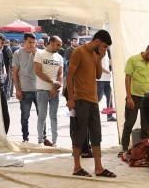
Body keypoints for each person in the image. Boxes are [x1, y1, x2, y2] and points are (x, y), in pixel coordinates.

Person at [66, 29, 116, 178]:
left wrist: (100, 58)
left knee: (96, 134)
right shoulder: (79, 52)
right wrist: (70, 98)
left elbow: (98, 75)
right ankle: (77, 167)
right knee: (79, 134)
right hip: (80, 99)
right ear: (98, 41)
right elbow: (69, 76)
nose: (105, 49)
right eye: (104, 46)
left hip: (93, 100)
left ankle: (98, 168)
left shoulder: (95, 54)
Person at [122, 42, 149, 152]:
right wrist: (129, 97)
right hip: (134, 97)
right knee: (129, 123)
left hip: (147, 98)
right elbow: (127, 79)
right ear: (147, 49)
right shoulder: (133, 60)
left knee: (146, 126)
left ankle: (143, 149)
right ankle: (124, 148)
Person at [34, 35, 65, 146]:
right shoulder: (40, 54)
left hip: (55, 91)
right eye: (58, 45)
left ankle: (55, 141)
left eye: (60, 45)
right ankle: (40, 141)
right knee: (42, 116)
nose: (59, 47)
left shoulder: (59, 57)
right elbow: (38, 71)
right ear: (51, 43)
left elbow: (60, 74)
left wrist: (55, 87)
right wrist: (52, 82)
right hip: (42, 90)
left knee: (53, 116)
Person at [11, 33, 38, 142]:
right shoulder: (17, 53)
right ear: (24, 42)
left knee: (41, 115)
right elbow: (14, 73)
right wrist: (17, 90)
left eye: (33, 43)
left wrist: (36, 56)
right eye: (29, 42)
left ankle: (43, 138)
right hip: (25, 90)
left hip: (39, 89)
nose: (32, 45)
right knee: (25, 116)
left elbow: (43, 70)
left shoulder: (39, 53)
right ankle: (25, 138)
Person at [0, 32, 11, 133]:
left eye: (1, 43)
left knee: (5, 115)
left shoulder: (0, 53)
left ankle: (3, 135)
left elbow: (2, 67)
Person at [99, 48, 115, 121]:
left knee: (110, 97)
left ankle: (109, 116)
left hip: (107, 80)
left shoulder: (108, 53)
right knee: (98, 98)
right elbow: (98, 66)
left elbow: (110, 64)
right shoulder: (98, 53)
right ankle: (91, 114)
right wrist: (107, 72)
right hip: (100, 80)